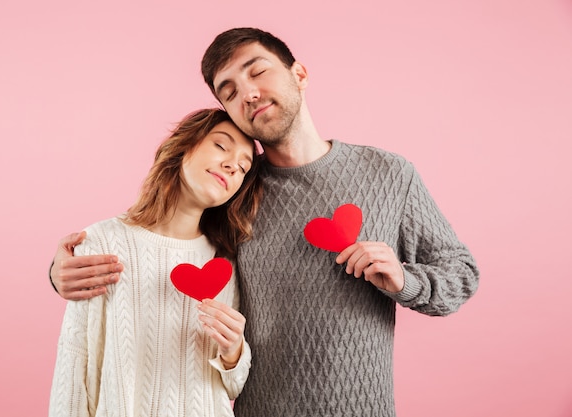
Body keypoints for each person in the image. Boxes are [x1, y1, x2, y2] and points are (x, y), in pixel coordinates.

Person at [49, 28, 479, 417]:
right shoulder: (232, 190)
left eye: (258, 72)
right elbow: (161, 245)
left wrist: (405, 280)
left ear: (300, 74)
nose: (248, 94)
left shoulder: (390, 174)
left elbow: (461, 274)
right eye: (230, 91)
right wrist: (62, 273)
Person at [48, 108, 263, 417]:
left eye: (244, 167)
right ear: (184, 145)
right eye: (220, 146)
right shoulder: (103, 242)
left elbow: (232, 386)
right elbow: (75, 362)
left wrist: (233, 353)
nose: (232, 166)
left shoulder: (223, 262)